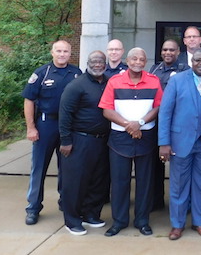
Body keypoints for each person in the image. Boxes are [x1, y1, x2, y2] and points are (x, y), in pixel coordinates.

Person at [158, 48, 201, 240]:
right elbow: (165, 112)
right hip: (181, 143)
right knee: (179, 185)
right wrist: (164, 142)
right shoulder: (177, 80)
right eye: (198, 60)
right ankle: (177, 224)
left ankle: (200, 222)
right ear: (191, 62)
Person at [98, 47, 163, 237]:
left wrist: (140, 123)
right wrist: (129, 125)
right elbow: (106, 110)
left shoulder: (153, 80)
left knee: (145, 182)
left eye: (141, 59)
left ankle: (142, 221)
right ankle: (119, 221)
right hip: (120, 138)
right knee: (119, 182)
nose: (137, 62)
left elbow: (159, 106)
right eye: (134, 58)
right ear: (128, 60)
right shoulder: (114, 81)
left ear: (145, 62)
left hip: (145, 137)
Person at [22, 40, 81, 226]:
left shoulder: (77, 73)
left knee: (67, 168)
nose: (62, 54)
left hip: (69, 126)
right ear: (52, 52)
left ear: (70, 53)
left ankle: (66, 202)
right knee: (39, 168)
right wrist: (31, 127)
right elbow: (29, 100)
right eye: (59, 51)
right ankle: (33, 207)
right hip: (46, 124)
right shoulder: (41, 73)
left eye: (65, 51)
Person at [58, 50, 110, 235]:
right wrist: (65, 140)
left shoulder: (108, 82)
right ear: (88, 63)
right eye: (94, 61)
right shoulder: (76, 85)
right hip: (79, 140)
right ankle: (72, 220)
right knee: (75, 182)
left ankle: (91, 215)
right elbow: (65, 115)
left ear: (105, 63)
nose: (97, 64)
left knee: (98, 181)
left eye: (101, 61)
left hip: (102, 141)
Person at [148, 38, 189, 211]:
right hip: (156, 122)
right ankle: (156, 201)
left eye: (172, 50)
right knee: (155, 164)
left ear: (178, 52)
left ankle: (183, 205)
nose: (168, 53)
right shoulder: (154, 69)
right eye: (165, 50)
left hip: (178, 124)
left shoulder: (185, 70)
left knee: (180, 167)